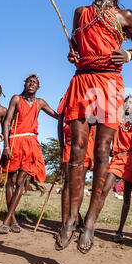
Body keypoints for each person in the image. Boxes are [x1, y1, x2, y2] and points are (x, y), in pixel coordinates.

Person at [57, 0, 132, 253]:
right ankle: (70, 218)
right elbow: (74, 42)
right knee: (77, 150)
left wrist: (129, 54)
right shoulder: (80, 12)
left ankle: (91, 221)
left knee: (103, 152)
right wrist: (72, 53)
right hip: (83, 80)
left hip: (109, 82)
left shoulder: (125, 16)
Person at [0, 74, 58, 234]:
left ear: (38, 87)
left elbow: (57, 115)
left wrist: (68, 108)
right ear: (25, 84)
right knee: (10, 181)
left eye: (35, 82)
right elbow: (7, 121)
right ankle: (13, 220)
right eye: (29, 81)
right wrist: (6, 146)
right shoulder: (16, 99)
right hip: (14, 141)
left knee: (21, 181)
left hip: (31, 144)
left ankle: (6, 220)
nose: (31, 84)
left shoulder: (40, 103)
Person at [94, 95, 132, 243]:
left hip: (131, 159)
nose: (129, 106)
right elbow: (105, 135)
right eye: (126, 103)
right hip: (117, 158)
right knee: (104, 190)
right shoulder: (115, 120)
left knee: (127, 197)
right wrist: (109, 148)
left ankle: (120, 231)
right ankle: (91, 224)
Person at [54, 104, 96, 249]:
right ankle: (65, 222)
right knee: (68, 183)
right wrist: (61, 146)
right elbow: (60, 125)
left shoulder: (94, 103)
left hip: (87, 144)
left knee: (81, 182)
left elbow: (95, 128)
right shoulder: (68, 100)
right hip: (70, 143)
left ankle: (75, 221)